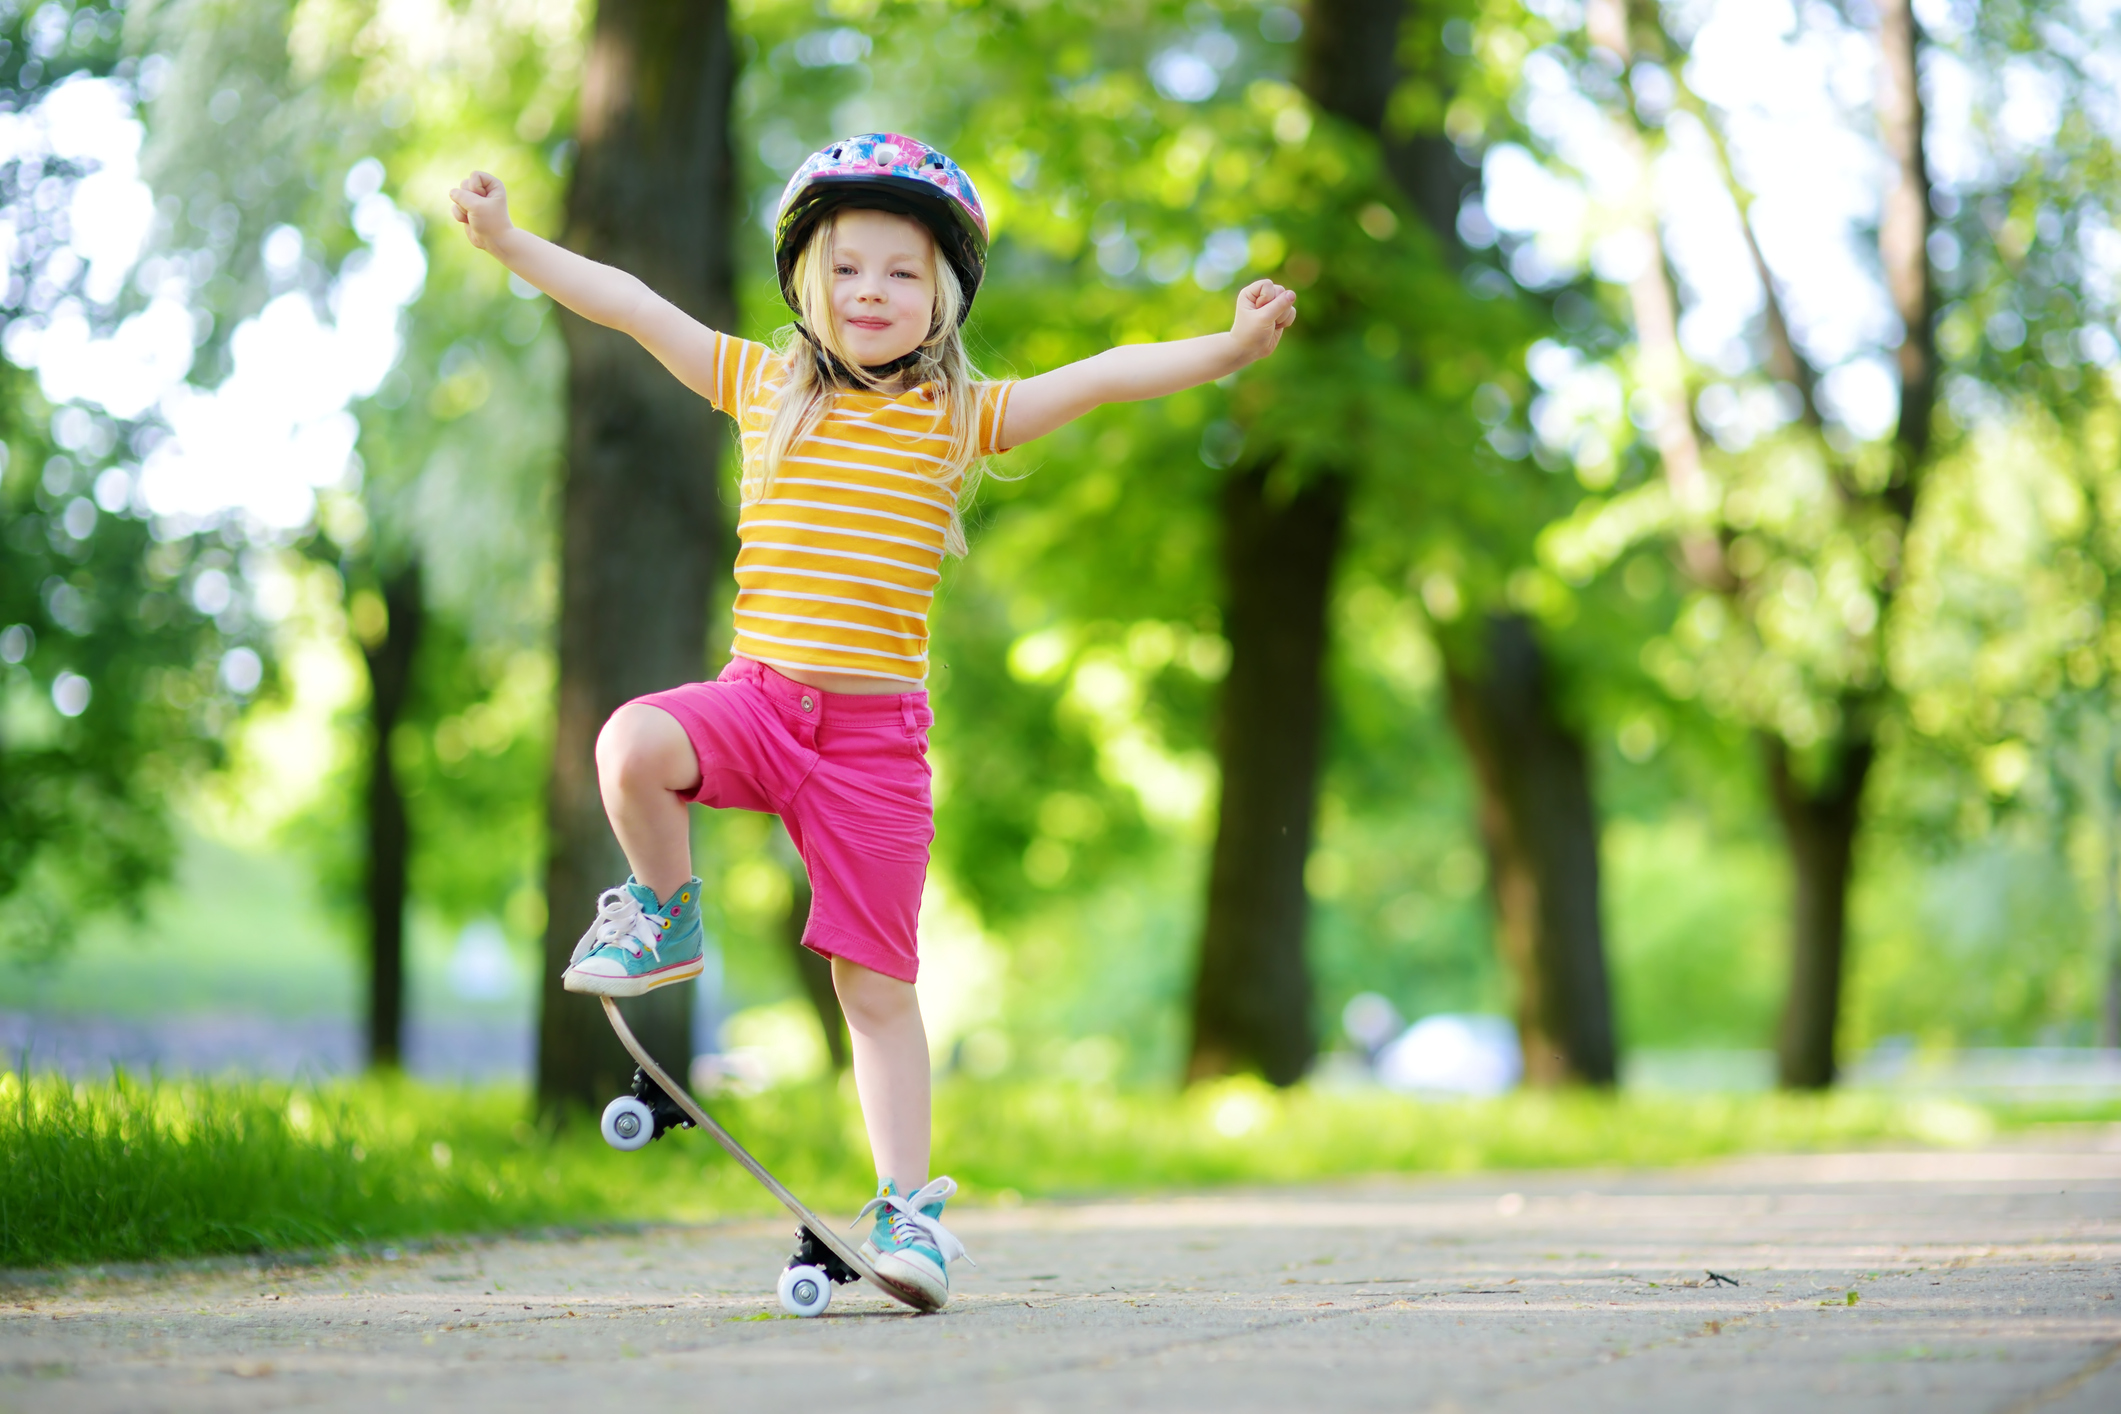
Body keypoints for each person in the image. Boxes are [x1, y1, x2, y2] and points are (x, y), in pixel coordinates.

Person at [450, 133, 1296, 1308]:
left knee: (874, 987)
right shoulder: (764, 384)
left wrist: (1233, 345)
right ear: (811, 280)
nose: (871, 293)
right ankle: (664, 912)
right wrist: (509, 243)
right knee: (631, 741)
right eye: (848, 269)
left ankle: (910, 1217)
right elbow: (634, 305)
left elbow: (1106, 373)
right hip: (756, 704)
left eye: (900, 273)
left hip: (873, 748)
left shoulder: (963, 416)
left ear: (941, 294)